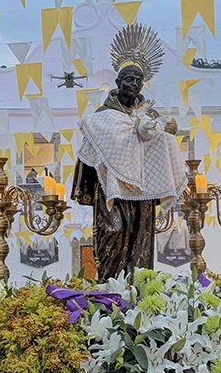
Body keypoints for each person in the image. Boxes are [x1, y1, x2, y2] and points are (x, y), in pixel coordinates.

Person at [72, 24, 185, 281]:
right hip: (111, 188)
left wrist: (158, 124)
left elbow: (169, 133)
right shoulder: (102, 116)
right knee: (112, 232)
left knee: (141, 240)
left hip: (143, 190)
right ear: (118, 82)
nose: (133, 84)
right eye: (128, 79)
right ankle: (110, 286)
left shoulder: (149, 115)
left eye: (138, 80)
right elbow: (92, 149)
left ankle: (138, 289)